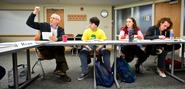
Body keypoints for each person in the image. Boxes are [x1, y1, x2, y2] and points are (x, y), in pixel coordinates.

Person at [26, 6, 71, 82]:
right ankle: (61, 71)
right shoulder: (44, 25)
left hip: (55, 51)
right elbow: (29, 23)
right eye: (51, 18)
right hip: (45, 51)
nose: (51, 19)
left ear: (58, 21)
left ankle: (61, 71)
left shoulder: (60, 29)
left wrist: (57, 39)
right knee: (60, 51)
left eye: (53, 18)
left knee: (60, 48)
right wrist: (35, 13)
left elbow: (63, 37)